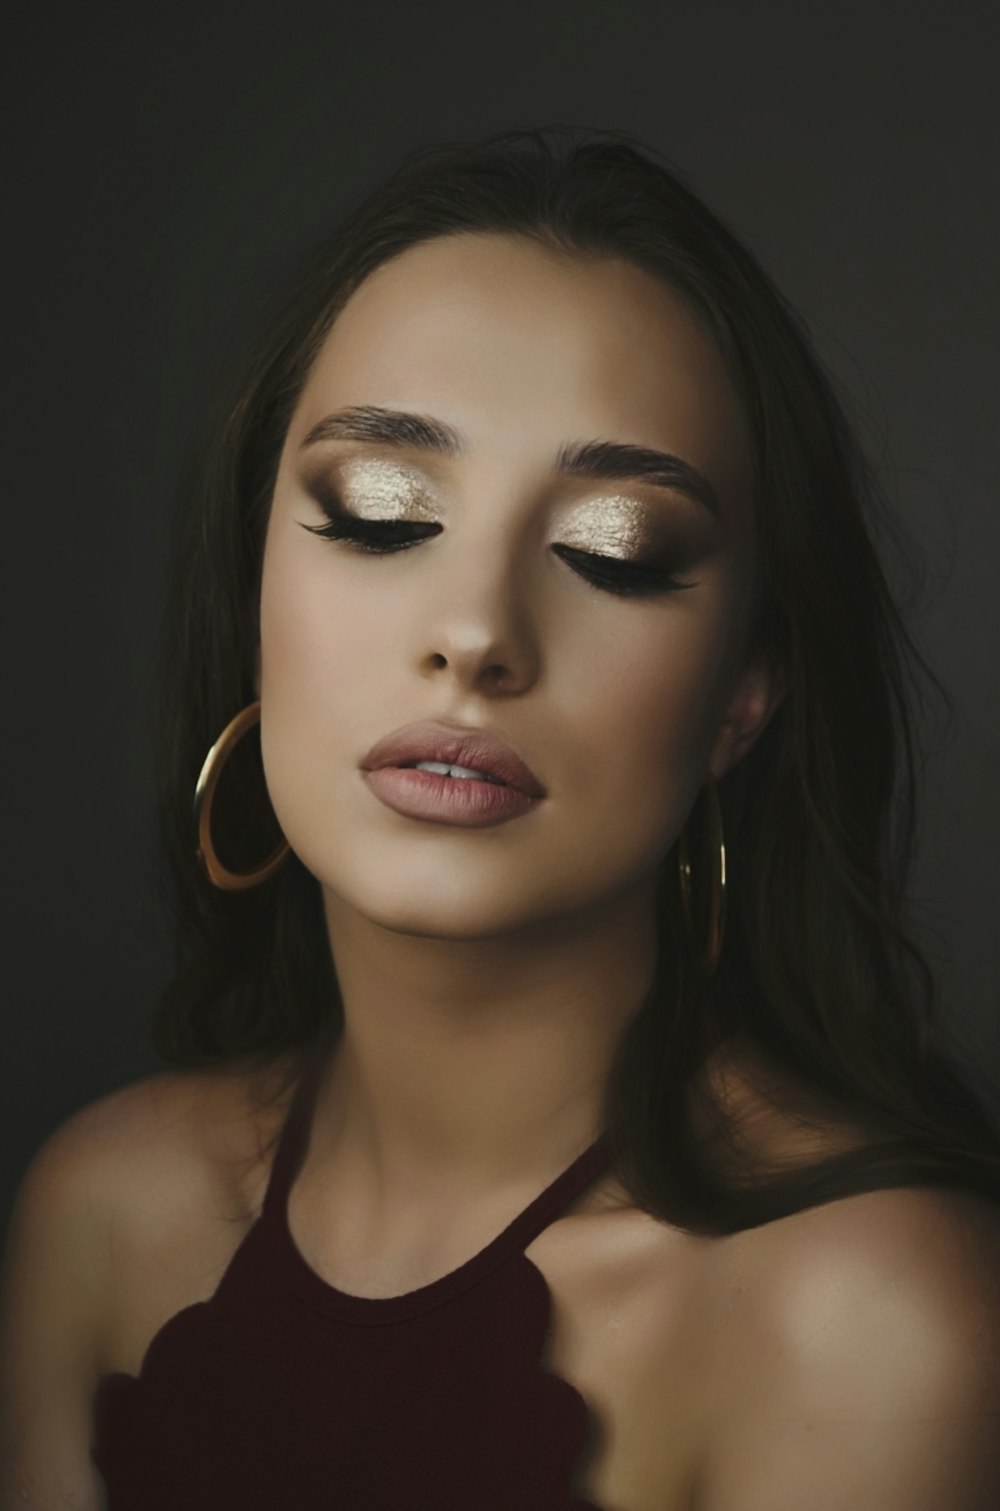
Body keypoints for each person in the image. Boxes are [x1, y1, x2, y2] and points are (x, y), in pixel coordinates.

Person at [2, 124, 999, 1510]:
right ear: (252, 598)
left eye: (616, 550)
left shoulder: (864, 1314)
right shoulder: (103, 1211)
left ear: (742, 700)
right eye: (379, 513)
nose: (475, 634)